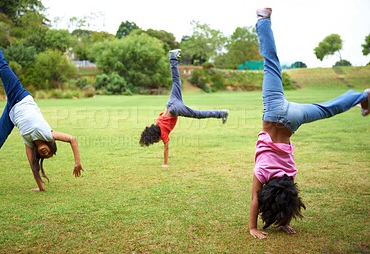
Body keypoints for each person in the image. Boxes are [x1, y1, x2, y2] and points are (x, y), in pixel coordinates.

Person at [249, 7, 370, 239]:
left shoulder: (290, 174)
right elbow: (256, 197)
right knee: (271, 63)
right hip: (273, 111)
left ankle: (364, 96)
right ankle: (263, 19)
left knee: (328, 109)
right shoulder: (262, 172)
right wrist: (252, 227)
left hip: (293, 119)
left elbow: (287, 194)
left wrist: (280, 220)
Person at [0, 4, 83, 191]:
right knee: (1, 66)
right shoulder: (47, 134)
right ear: (49, 143)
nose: (46, 153)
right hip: (20, 96)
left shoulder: (29, 144)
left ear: (40, 154)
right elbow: (72, 139)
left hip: (12, 112)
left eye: (44, 156)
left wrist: (41, 187)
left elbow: (33, 166)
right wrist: (77, 162)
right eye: (49, 151)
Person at [139, 49, 229, 167]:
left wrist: (165, 163)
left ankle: (222, 113)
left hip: (174, 108)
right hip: (170, 102)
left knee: (198, 114)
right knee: (176, 81)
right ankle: (173, 57)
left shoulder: (163, 134)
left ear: (154, 137)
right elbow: (163, 116)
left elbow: (166, 148)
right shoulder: (157, 124)